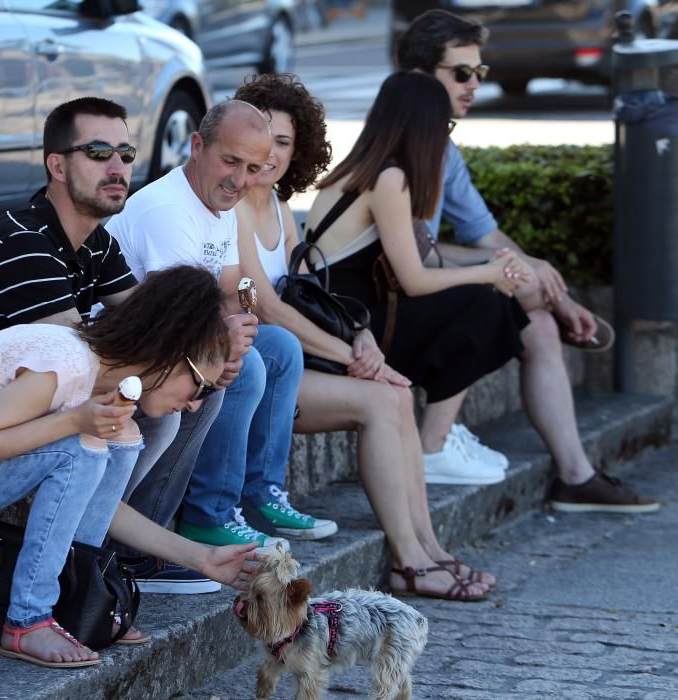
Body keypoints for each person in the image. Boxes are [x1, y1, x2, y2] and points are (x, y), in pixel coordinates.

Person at [0, 266, 260, 669]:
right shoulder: (66, 361)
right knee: (81, 442)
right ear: (170, 353)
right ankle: (28, 620)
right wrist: (74, 423)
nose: (196, 405)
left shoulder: (98, 382)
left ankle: (78, 600)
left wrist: (201, 557)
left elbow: (99, 503)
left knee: (117, 438)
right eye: (200, 387)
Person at [0, 96, 248, 594]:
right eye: (99, 153)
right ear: (57, 165)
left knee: (192, 394)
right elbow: (76, 362)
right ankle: (93, 564)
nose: (118, 167)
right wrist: (185, 362)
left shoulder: (95, 242)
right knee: (152, 410)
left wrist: (205, 357)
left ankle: (119, 555)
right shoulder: (25, 242)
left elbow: (152, 318)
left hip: (34, 410)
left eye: (125, 153)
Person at [232, 72, 491, 601]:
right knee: (381, 400)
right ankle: (410, 561)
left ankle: (428, 548)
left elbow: (309, 292)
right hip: (255, 375)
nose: (272, 154)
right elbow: (269, 306)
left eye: (284, 141)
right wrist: (352, 356)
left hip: (292, 364)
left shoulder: (280, 208)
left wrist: (364, 338)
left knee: (394, 394)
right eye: (263, 140)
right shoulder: (234, 205)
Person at [396, 9, 659, 513]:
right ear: (419, 77)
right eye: (460, 73)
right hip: (382, 302)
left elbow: (482, 231)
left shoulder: (442, 147)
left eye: (480, 73)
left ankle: (575, 475)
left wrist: (534, 266)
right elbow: (405, 252)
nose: (473, 84)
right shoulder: (403, 141)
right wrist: (528, 278)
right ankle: (431, 446)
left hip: (419, 288)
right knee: (514, 294)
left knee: (534, 320)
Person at [108, 100, 337, 554]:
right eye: (230, 161)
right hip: (136, 357)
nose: (239, 180)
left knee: (280, 349)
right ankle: (199, 521)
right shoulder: (167, 209)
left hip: (179, 340)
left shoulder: (221, 204)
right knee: (248, 366)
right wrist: (229, 335)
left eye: (253, 168)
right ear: (197, 146)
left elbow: (236, 283)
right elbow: (170, 317)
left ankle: (260, 494)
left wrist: (246, 313)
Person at [306, 71, 531, 490]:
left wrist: (490, 267)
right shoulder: (391, 179)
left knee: (481, 300)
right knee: (485, 304)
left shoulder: (367, 169)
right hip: (350, 331)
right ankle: (435, 446)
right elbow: (413, 281)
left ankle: (440, 442)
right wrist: (489, 274)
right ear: (424, 125)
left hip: (350, 320)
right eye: (444, 126)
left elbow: (417, 267)